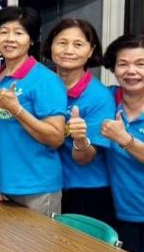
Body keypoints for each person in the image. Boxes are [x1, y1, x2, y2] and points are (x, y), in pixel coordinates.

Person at [0, 6, 67, 217]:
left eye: (19, 33)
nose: (10, 39)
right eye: (3, 32)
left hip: (36, 187)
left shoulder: (45, 80)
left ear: (32, 39)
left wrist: (16, 109)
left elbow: (55, 137)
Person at [44, 19, 116, 223]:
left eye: (78, 44)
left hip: (86, 190)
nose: (69, 50)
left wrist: (80, 139)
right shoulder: (42, 84)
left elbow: (85, 158)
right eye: (62, 43)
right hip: (47, 184)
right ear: (51, 46)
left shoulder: (99, 96)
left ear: (91, 50)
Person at [100, 34, 144, 252]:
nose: (131, 71)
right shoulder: (106, 99)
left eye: (140, 64)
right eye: (123, 64)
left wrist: (125, 139)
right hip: (117, 211)